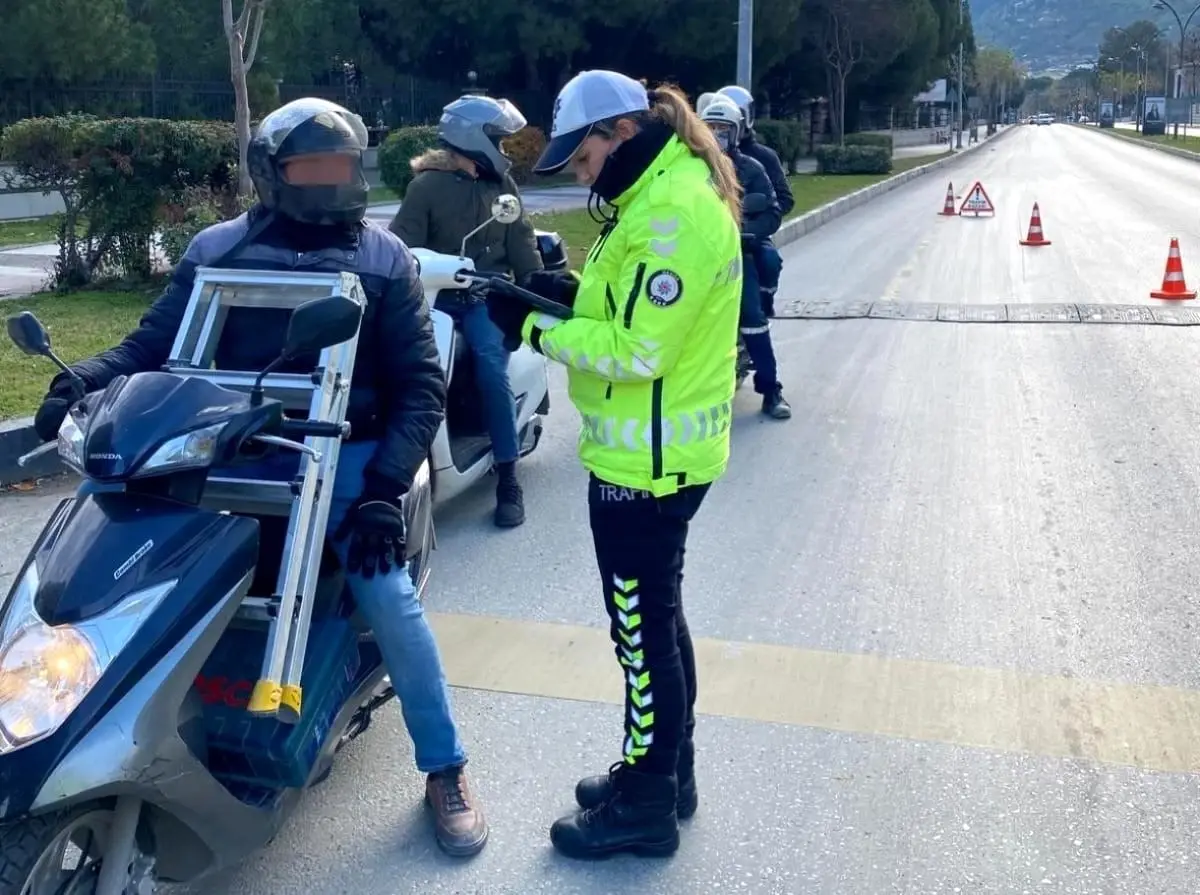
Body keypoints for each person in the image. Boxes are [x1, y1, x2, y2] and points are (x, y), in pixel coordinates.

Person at [31, 97, 489, 858]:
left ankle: (446, 767)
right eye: (312, 167)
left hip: (346, 451)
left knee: (388, 596)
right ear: (273, 173)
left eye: (341, 165)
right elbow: (150, 345)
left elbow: (420, 389)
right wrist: (81, 379)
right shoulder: (218, 246)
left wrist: (383, 489)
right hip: (228, 444)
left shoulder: (383, 258)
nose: (331, 180)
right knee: (116, 554)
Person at [484, 70, 742, 860]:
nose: (580, 171)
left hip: (646, 465)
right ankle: (668, 772)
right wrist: (560, 293)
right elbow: (624, 310)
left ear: (623, 132)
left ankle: (646, 804)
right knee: (658, 621)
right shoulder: (655, 196)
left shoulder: (671, 216)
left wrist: (532, 327)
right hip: (654, 454)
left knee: (639, 634)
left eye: (585, 155)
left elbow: (636, 351)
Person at [389, 95, 542, 528]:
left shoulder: (502, 187)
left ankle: (508, 477)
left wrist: (538, 286)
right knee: (400, 368)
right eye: (499, 139)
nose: (505, 149)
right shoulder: (426, 187)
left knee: (490, 367)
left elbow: (522, 243)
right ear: (474, 138)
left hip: (484, 298)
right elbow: (400, 249)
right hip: (434, 299)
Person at [701, 98, 791, 420]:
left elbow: (772, 211)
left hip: (739, 252)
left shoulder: (751, 168)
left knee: (752, 317)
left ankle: (770, 390)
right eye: (710, 128)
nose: (717, 134)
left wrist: (743, 232)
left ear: (737, 131)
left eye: (723, 129)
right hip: (697, 255)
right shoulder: (690, 168)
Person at [717, 85, 792, 318]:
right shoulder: (701, 158)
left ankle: (765, 300)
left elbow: (784, 199)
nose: (720, 132)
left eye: (725, 127)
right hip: (711, 233)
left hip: (751, 232)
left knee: (769, 260)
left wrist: (754, 224)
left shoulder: (763, 157)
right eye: (715, 126)